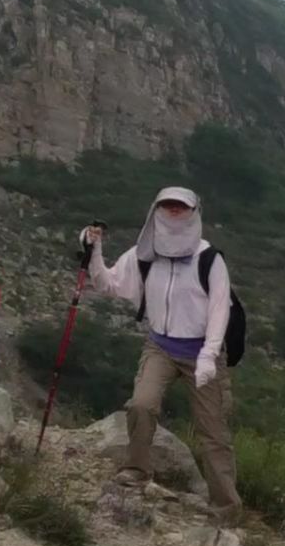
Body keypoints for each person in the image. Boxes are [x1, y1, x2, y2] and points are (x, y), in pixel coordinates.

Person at [76, 187, 242, 528]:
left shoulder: (209, 259)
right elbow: (109, 284)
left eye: (180, 207)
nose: (173, 212)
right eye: (167, 206)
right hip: (161, 346)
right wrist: (94, 252)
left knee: (213, 431)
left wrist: (210, 355)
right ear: (156, 209)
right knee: (141, 404)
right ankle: (135, 471)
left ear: (194, 211)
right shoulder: (144, 254)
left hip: (202, 352)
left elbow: (219, 310)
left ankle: (226, 508)